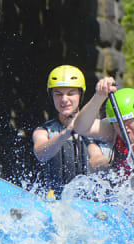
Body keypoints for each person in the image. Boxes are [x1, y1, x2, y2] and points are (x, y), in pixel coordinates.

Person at [73, 78, 134, 232]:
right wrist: (99, 96)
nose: (124, 127)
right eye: (117, 121)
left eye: (129, 120)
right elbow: (81, 127)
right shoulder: (116, 130)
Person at [32, 65, 111, 197]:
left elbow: (96, 160)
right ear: (51, 96)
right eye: (58, 94)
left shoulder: (95, 130)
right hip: (55, 201)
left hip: (90, 203)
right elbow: (41, 153)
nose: (64, 99)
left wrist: (112, 162)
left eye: (71, 93)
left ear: (80, 94)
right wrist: (67, 132)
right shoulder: (43, 131)